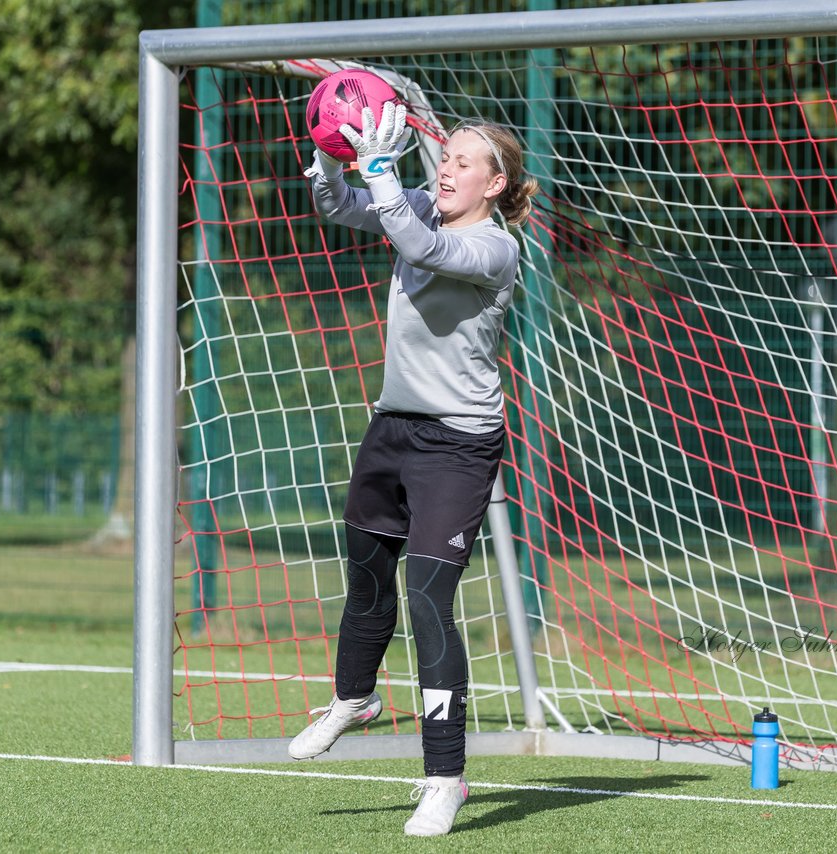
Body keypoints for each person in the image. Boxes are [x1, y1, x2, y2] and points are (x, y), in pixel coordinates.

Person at [287, 102, 539, 837]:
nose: (448, 170)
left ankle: (444, 777)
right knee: (365, 576)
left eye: (464, 162)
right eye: (446, 158)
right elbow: (339, 205)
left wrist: (383, 176)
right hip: (391, 427)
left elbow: (420, 248)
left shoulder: (495, 248)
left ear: (494, 185)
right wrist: (335, 156)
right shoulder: (420, 203)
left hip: (458, 445)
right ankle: (352, 699)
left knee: (428, 599)